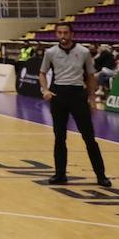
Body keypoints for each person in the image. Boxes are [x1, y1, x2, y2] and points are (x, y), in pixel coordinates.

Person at [40, 22, 110, 187]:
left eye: (65, 32)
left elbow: (91, 76)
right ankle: (60, 174)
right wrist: (45, 90)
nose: (63, 36)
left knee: (89, 138)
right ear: (56, 34)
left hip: (78, 94)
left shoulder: (84, 52)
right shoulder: (50, 52)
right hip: (58, 95)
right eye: (59, 33)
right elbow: (42, 73)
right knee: (59, 137)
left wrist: (92, 99)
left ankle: (101, 175)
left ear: (72, 34)